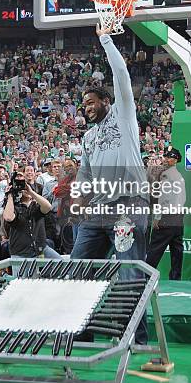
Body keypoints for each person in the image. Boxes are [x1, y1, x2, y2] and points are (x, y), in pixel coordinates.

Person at [70, 23, 148, 343]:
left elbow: (121, 75)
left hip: (129, 205)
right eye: (83, 105)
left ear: (106, 100)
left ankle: (136, 338)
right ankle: (80, 330)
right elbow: (84, 175)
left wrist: (105, 39)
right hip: (98, 212)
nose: (87, 108)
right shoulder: (87, 138)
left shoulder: (124, 115)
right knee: (77, 269)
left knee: (129, 272)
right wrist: (77, 197)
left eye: (91, 102)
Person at [2, 167, 59, 263]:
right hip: (21, 252)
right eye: (21, 186)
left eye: (25, 184)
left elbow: (48, 207)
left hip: (40, 249)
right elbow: (8, 217)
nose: (23, 188)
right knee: (26, 278)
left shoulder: (35, 206)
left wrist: (31, 192)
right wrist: (10, 195)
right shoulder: (14, 207)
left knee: (63, 265)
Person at [146, 146, 186, 279]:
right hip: (178, 217)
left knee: (155, 250)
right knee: (177, 251)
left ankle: (146, 277)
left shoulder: (166, 175)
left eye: (169, 157)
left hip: (166, 217)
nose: (166, 159)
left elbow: (163, 197)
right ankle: (176, 279)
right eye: (166, 157)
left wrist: (157, 217)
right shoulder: (179, 176)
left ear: (175, 160)